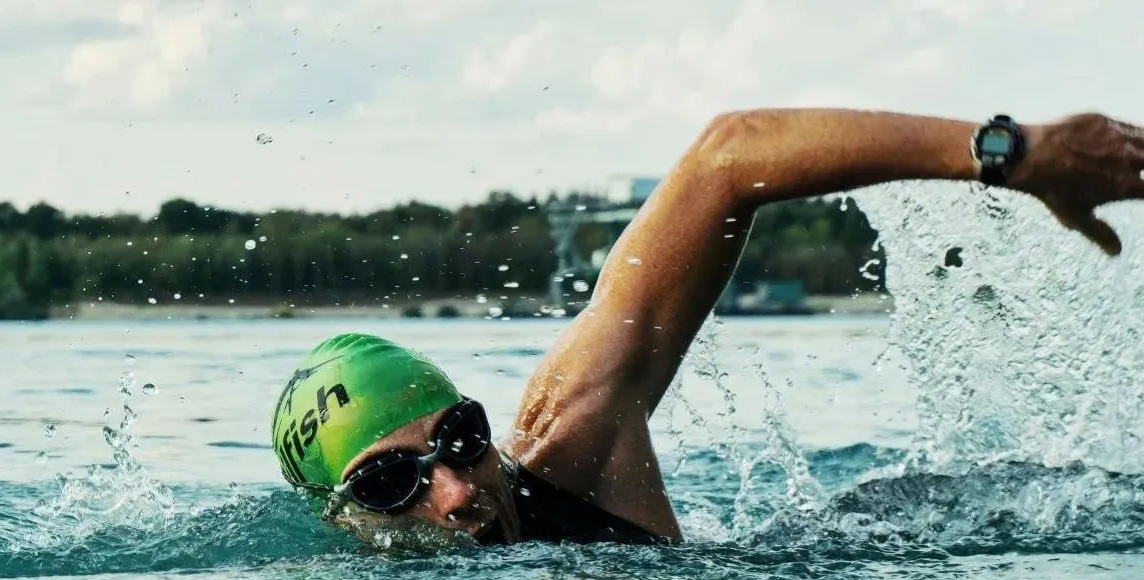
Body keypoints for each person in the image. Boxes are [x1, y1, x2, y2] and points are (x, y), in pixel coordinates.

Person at [272, 108, 1144, 545]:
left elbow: (727, 156)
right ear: (341, 518)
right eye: (391, 484)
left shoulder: (571, 437)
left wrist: (1011, 154)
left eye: (459, 439)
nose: (457, 493)